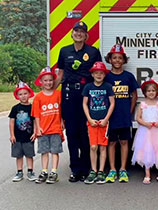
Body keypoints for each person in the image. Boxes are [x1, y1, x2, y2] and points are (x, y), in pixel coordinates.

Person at [55, 21, 102, 182]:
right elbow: (60, 74)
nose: (79, 33)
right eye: (76, 31)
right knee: (72, 133)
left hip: (86, 95)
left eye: (82, 31)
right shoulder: (64, 51)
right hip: (68, 95)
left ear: (86, 35)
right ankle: (75, 169)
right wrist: (51, 92)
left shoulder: (93, 51)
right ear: (72, 33)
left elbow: (99, 74)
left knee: (86, 133)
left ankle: (86, 167)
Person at [104, 44, 139, 183]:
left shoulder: (129, 76)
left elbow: (134, 95)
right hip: (110, 116)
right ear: (110, 60)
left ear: (124, 60)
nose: (117, 60)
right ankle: (112, 169)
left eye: (120, 58)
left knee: (124, 142)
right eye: (114, 58)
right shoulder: (106, 77)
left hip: (124, 116)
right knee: (111, 143)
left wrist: (130, 111)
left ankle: (123, 169)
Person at [131, 79, 158, 184]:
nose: (151, 93)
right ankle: (147, 174)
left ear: (156, 92)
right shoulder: (142, 104)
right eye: (149, 91)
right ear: (145, 92)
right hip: (146, 131)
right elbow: (138, 118)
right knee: (147, 150)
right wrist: (145, 123)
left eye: (153, 90)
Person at [82, 62, 115, 184]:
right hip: (92, 122)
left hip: (104, 123)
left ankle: (101, 171)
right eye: (96, 73)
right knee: (93, 146)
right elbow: (84, 104)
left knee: (102, 147)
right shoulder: (88, 87)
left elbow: (112, 103)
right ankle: (93, 170)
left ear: (104, 74)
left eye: (101, 73)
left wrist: (106, 119)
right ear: (92, 74)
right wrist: (89, 119)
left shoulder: (107, 87)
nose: (99, 75)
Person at [32, 67, 64, 184]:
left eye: (50, 80)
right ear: (41, 82)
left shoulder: (58, 94)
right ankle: (44, 171)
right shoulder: (38, 97)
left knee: (55, 151)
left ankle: (54, 172)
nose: (48, 83)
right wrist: (37, 128)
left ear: (53, 81)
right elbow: (36, 115)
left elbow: (61, 110)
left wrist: (61, 121)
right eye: (45, 80)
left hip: (55, 128)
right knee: (44, 151)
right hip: (43, 129)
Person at [9, 81, 36, 182]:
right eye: (20, 94)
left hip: (29, 136)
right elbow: (12, 122)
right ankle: (19, 172)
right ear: (17, 96)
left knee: (29, 155)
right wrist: (12, 135)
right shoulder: (15, 109)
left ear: (29, 94)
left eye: (25, 93)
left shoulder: (32, 107)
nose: (23, 96)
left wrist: (35, 132)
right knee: (18, 155)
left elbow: (35, 121)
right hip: (17, 137)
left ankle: (30, 171)